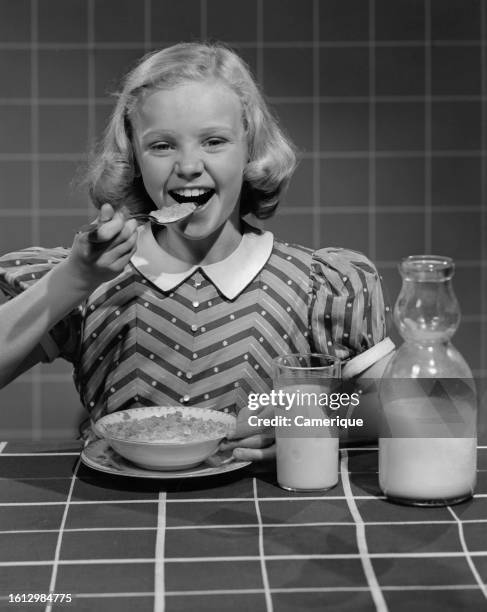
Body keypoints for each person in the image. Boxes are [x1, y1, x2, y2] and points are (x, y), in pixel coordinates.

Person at [0, 42, 394, 461]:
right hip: (112, 512)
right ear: (134, 156)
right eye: (162, 146)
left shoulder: (319, 285)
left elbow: (420, 412)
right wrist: (73, 281)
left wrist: (310, 423)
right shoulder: (91, 279)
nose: (188, 165)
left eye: (214, 141)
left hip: (260, 515)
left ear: (251, 149)